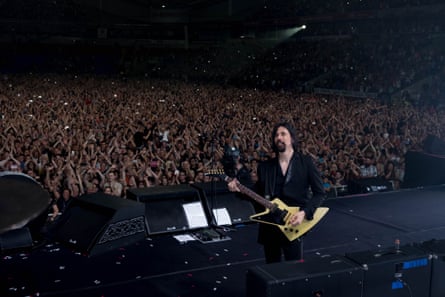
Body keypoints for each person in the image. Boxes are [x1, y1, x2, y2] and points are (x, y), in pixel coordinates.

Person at [228, 122, 326, 263]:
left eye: (283, 134)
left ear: (292, 138)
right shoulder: (265, 167)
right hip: (270, 225)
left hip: (294, 222)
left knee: (293, 268)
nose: (278, 137)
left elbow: (319, 193)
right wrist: (238, 189)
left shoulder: (306, 162)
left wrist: (304, 213)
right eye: (276, 135)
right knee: (272, 269)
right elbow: (258, 194)